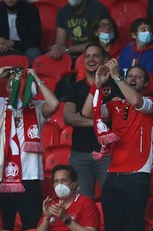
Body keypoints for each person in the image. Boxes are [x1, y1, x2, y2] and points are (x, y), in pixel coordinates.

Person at [0, 67, 59, 231]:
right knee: (2, 229)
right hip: (2, 178)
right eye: (12, 84)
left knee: (31, 228)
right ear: (7, 88)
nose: (16, 87)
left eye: (21, 83)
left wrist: (35, 78)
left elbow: (54, 103)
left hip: (30, 178)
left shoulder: (38, 107)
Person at [85, 62, 153, 231]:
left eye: (138, 77)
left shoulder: (152, 103)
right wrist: (97, 86)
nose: (132, 79)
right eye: (130, 75)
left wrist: (118, 77)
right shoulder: (116, 105)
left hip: (137, 175)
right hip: (114, 174)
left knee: (134, 230)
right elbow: (88, 112)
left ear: (146, 84)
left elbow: (137, 102)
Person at [64, 43, 117, 199]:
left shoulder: (115, 86)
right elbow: (68, 117)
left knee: (111, 199)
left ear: (104, 59)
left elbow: (119, 116)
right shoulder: (75, 87)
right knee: (82, 201)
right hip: (80, 153)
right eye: (87, 56)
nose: (91, 59)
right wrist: (100, 123)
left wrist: (83, 119)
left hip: (108, 153)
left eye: (96, 56)